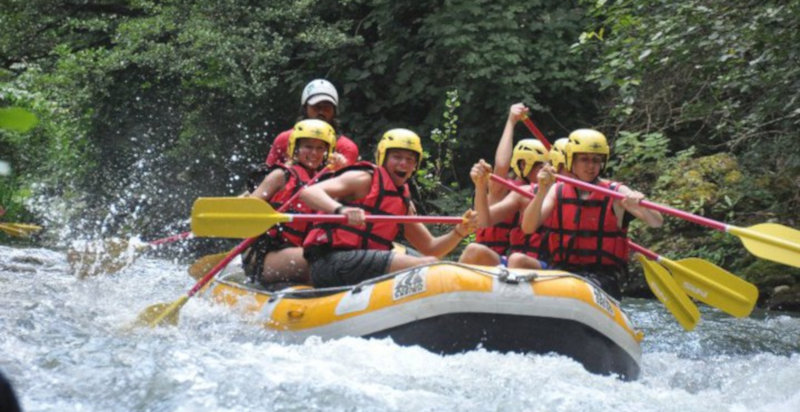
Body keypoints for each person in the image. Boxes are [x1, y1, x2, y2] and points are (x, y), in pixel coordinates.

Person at [300, 128, 478, 288]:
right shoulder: (363, 179)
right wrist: (341, 210)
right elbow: (309, 192)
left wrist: (459, 232)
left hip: (364, 264)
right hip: (331, 262)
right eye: (397, 157)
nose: (403, 164)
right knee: (428, 265)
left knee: (435, 263)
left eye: (410, 159)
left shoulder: (401, 202)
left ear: (415, 165)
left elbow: (431, 248)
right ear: (383, 158)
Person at [520, 129, 664, 299]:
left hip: (603, 279)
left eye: (596, 160)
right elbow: (528, 228)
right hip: (562, 272)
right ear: (571, 160)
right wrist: (541, 192)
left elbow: (656, 222)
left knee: (576, 287)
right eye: (584, 159)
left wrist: (638, 203)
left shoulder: (616, 192)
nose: (591, 166)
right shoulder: (556, 190)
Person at [243, 119, 336, 286]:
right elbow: (247, 211)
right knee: (321, 262)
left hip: (304, 250)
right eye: (308, 146)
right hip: (267, 253)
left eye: (320, 148)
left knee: (331, 257)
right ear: (295, 148)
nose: (314, 153)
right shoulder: (280, 176)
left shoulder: (328, 180)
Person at [460, 139, 550, 269]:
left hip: (542, 263)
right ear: (523, 165)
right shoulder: (511, 191)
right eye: (540, 167)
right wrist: (480, 185)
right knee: (473, 249)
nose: (544, 172)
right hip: (508, 258)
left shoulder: (556, 192)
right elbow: (482, 221)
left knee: (517, 259)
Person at [473, 103, 529, 256]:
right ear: (523, 164)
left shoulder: (544, 193)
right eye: (539, 166)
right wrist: (511, 121)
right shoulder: (501, 189)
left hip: (519, 260)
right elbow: (502, 165)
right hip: (490, 257)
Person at [266, 79, 359, 167]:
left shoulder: (346, 147)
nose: (321, 112)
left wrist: (342, 167)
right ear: (305, 108)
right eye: (316, 107)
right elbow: (266, 173)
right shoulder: (284, 139)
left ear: (334, 112)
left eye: (326, 108)